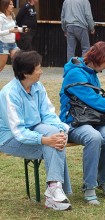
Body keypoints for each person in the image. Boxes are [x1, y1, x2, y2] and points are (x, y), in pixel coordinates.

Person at [0, 50, 72, 211]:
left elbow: (47, 114)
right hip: (8, 138)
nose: (41, 71)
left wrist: (62, 130)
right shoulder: (9, 94)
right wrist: (45, 140)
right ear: (25, 73)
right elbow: (18, 132)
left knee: (57, 136)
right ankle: (54, 191)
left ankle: (53, 189)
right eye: (38, 68)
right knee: (52, 144)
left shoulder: (37, 86)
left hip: (34, 128)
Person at [59, 41, 105, 205]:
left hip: (92, 119)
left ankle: (102, 181)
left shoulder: (91, 71)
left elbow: (94, 101)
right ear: (99, 58)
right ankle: (89, 186)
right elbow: (93, 99)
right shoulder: (75, 73)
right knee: (94, 138)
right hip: (74, 121)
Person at [0, 0, 21, 72]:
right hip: (3, 44)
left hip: (13, 43)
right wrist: (10, 31)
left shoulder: (12, 15)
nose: (13, 6)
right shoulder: (1, 18)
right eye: (11, 4)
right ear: (5, 6)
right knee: (1, 67)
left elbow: (15, 28)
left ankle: (19, 81)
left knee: (19, 62)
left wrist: (23, 30)